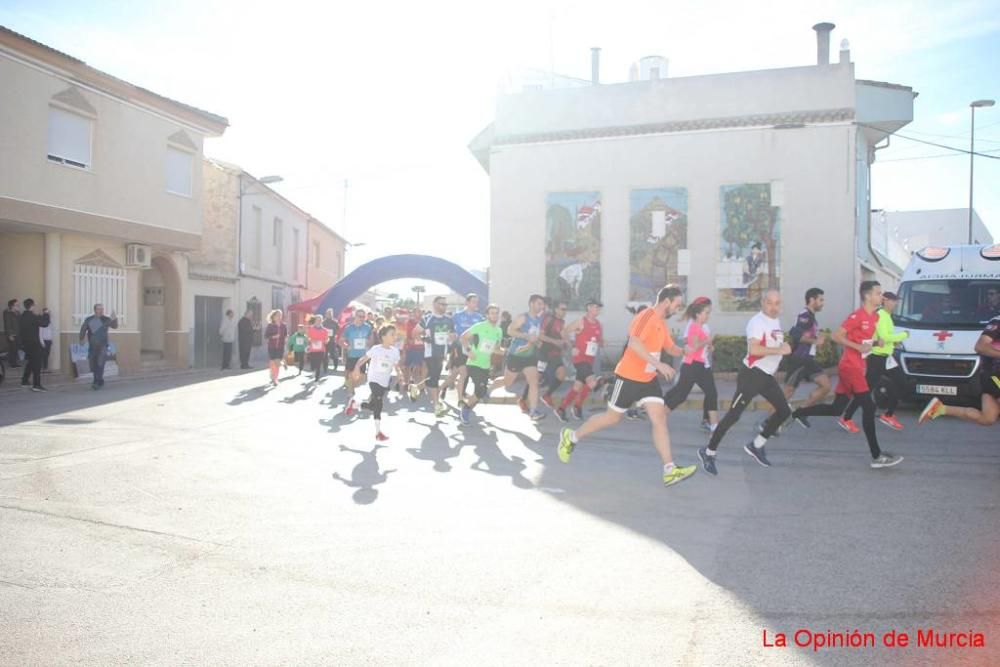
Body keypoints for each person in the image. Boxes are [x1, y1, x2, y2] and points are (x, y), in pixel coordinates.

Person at [556, 285, 696, 487]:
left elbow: (670, 347)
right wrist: (659, 364)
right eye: (677, 304)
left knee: (659, 419)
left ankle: (669, 470)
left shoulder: (661, 323)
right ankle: (571, 437)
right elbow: (634, 343)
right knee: (611, 418)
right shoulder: (646, 316)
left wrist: (684, 351)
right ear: (667, 301)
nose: (678, 308)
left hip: (648, 379)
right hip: (628, 377)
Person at [791, 281, 904, 468]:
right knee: (869, 407)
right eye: (878, 293)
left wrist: (877, 343)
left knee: (836, 408)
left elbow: (866, 339)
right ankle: (877, 456)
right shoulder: (857, 316)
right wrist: (858, 347)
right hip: (850, 367)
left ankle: (795, 413)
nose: (881, 297)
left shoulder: (875, 318)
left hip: (857, 366)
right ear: (867, 296)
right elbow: (837, 336)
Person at [698, 289, 792, 475]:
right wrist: (781, 350)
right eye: (770, 303)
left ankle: (756, 445)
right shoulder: (757, 322)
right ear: (762, 303)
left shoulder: (775, 321)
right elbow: (755, 349)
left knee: (784, 410)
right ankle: (708, 452)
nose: (774, 307)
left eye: (777, 303)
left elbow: (772, 345)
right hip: (752, 375)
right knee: (733, 415)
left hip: (766, 376)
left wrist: (780, 349)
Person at [764, 287, 831, 434]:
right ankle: (767, 422)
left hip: (809, 360)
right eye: (820, 300)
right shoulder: (805, 315)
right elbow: (795, 334)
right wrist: (815, 341)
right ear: (812, 300)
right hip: (799, 359)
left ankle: (802, 412)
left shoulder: (811, 316)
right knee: (788, 392)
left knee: (825, 386)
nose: (823, 303)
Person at [841, 291, 908, 431]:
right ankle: (846, 418)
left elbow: (885, 338)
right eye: (894, 301)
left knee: (902, 382)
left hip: (887, 358)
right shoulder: (881, 316)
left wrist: (893, 344)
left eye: (897, 301)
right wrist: (903, 335)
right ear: (885, 301)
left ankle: (889, 415)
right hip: (877, 358)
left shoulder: (888, 316)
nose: (896, 304)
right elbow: (884, 337)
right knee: (866, 389)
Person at [920, 314, 1000, 427]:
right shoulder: (997, 322)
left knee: (987, 418)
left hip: (991, 378)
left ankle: (941, 409)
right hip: (994, 375)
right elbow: (980, 346)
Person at [664, 297, 719, 431]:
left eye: (709, 312)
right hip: (692, 365)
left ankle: (715, 426)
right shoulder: (693, 326)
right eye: (706, 312)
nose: (708, 315)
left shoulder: (702, 326)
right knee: (680, 395)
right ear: (698, 314)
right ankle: (659, 417)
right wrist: (706, 342)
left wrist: (710, 346)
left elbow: (703, 345)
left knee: (712, 393)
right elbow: (693, 347)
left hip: (702, 366)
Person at [489, 294, 547, 421]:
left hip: (529, 356)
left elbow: (535, 335)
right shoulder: (523, 317)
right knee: (508, 382)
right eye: (539, 304)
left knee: (534, 382)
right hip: (516, 355)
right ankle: (490, 388)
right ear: (531, 304)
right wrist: (526, 336)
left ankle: (533, 411)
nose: (541, 307)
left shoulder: (538, 319)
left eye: (542, 304)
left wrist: (537, 342)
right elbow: (510, 331)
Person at [350, 324, 402, 441]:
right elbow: (362, 359)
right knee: (379, 404)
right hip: (373, 379)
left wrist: (400, 374)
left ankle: (355, 404)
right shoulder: (376, 349)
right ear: (383, 337)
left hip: (384, 381)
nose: (395, 337)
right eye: (392, 334)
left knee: (373, 406)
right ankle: (378, 433)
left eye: (395, 334)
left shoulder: (395, 351)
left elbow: (396, 366)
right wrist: (357, 367)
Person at [557, 299, 604, 422]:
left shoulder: (598, 324)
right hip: (580, 359)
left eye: (599, 308)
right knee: (592, 382)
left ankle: (562, 408)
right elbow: (564, 332)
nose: (597, 310)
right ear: (588, 308)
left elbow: (598, 340)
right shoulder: (581, 322)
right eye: (595, 307)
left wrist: (602, 342)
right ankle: (577, 406)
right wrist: (572, 347)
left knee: (578, 386)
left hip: (589, 360)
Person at [459, 304, 504, 425]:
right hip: (473, 363)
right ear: (487, 315)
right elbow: (463, 338)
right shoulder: (480, 326)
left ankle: (469, 406)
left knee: (480, 392)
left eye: (496, 313)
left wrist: (505, 352)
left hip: (486, 365)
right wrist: (469, 352)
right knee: (480, 390)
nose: (494, 315)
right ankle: (466, 409)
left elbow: (496, 349)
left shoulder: (499, 331)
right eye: (492, 313)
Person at [520, 299, 568, 412]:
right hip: (543, 352)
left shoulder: (562, 322)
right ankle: (522, 399)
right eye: (562, 309)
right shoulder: (548, 319)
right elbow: (541, 336)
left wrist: (563, 345)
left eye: (566, 309)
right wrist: (555, 342)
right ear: (556, 309)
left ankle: (547, 395)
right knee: (536, 377)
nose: (565, 311)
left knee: (562, 373)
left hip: (555, 353)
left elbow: (560, 336)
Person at [413, 296, 456, 418]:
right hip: (430, 353)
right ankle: (437, 406)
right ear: (434, 304)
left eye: (445, 304)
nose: (444, 306)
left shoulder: (449, 320)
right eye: (441, 304)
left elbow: (452, 335)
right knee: (434, 379)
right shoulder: (426, 319)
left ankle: (415, 388)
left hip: (442, 353)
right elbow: (414, 333)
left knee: (432, 377)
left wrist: (452, 337)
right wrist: (425, 339)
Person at [443, 293, 484, 401]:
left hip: (472, 347)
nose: (476, 304)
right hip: (459, 347)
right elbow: (450, 329)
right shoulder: (457, 315)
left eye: (477, 302)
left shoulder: (479, 317)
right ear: (467, 302)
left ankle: (445, 388)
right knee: (461, 371)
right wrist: (451, 337)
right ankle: (457, 396)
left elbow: (482, 333)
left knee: (463, 372)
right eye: (473, 301)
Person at [342, 309, 374, 415]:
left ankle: (353, 389)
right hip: (352, 355)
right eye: (360, 316)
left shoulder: (367, 327)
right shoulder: (349, 328)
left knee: (361, 376)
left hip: (362, 356)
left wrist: (368, 342)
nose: (361, 318)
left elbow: (371, 340)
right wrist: (347, 346)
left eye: (363, 316)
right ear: (355, 316)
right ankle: (351, 393)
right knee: (351, 374)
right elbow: (341, 341)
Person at [79, 303, 118, 390]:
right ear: (95, 310)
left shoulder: (106, 319)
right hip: (92, 346)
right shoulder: (89, 319)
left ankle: (96, 381)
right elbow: (83, 329)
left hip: (103, 345)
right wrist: (81, 338)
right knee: (93, 364)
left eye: (102, 309)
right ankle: (99, 379)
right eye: (99, 309)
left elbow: (115, 326)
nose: (101, 310)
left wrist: (115, 319)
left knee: (100, 363)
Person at [19, 299, 50, 391]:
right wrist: (46, 314)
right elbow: (45, 323)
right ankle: (36, 385)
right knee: (37, 364)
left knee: (31, 362)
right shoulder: (32, 316)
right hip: (35, 343)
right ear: (32, 306)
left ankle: (24, 381)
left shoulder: (22, 316)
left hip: (26, 343)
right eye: (34, 306)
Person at [403, 307, 425, 400]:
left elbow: (426, 334)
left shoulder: (424, 322)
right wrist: (409, 341)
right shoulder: (409, 322)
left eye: (419, 312)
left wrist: (423, 339)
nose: (418, 314)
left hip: (420, 348)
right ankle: (407, 382)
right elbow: (406, 335)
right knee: (407, 367)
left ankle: (414, 386)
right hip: (410, 348)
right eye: (416, 312)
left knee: (417, 368)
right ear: (413, 313)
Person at [263, 310, 287, 386]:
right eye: (277, 315)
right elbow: (266, 336)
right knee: (273, 362)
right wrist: (273, 336)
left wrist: (286, 338)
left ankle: (275, 379)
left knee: (277, 363)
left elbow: (285, 335)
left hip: (280, 346)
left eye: (280, 315)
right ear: (273, 317)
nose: (279, 317)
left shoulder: (283, 325)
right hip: (272, 347)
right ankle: (274, 372)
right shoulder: (270, 325)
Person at [306, 315, 329, 382]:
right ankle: (313, 370)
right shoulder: (310, 329)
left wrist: (326, 341)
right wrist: (310, 340)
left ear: (322, 321)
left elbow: (327, 339)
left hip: (321, 350)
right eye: (317, 320)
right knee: (313, 363)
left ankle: (316, 380)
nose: (318, 321)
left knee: (318, 364)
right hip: (312, 349)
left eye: (320, 320)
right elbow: (308, 337)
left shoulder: (325, 330)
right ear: (315, 320)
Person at [4, 299, 21, 368]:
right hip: (12, 334)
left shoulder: (17, 313)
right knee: (12, 349)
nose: (18, 306)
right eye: (17, 305)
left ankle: (14, 362)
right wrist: (10, 335)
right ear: (12, 305)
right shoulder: (7, 313)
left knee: (16, 348)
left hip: (17, 333)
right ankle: (12, 363)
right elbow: (7, 324)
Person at [322, 308, 340, 372]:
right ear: (326, 314)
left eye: (330, 314)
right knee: (325, 355)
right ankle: (325, 368)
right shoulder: (323, 322)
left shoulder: (335, 322)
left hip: (332, 340)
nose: (328, 315)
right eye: (327, 314)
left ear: (332, 314)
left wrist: (335, 335)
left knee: (333, 354)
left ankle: (335, 365)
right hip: (325, 341)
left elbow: (338, 329)